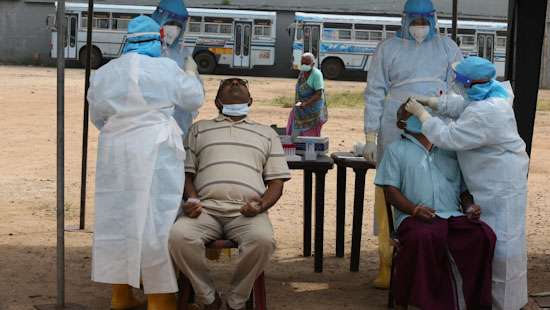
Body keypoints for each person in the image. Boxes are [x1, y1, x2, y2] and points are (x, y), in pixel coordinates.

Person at [88, 16, 204, 310]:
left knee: (118, 217)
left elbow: (97, 116)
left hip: (115, 150)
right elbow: (192, 100)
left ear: (127, 40)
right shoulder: (167, 67)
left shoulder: (105, 72)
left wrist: (122, 128)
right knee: (157, 222)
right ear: (159, 39)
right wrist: (190, 74)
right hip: (156, 149)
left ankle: (121, 295)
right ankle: (160, 299)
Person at [406, 56, 530, 310]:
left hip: (500, 185)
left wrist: (423, 115)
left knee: (503, 245)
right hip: (491, 181)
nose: (456, 84)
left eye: (459, 80)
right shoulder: (492, 93)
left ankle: (503, 304)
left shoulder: (487, 112)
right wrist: (434, 103)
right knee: (487, 241)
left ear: (469, 82)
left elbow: (448, 136)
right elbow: (461, 104)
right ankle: (487, 299)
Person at [362, 0, 463, 289]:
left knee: (440, 183)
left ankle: (438, 255)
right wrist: (370, 135)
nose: (420, 25)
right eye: (414, 19)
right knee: (390, 188)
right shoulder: (388, 48)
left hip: (437, 123)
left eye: (424, 19)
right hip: (395, 126)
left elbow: (458, 87)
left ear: (434, 19)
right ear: (404, 19)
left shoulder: (448, 47)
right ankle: (386, 262)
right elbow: (374, 92)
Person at [169, 78, 291, 310]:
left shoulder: (266, 134)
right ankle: (208, 297)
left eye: (240, 83)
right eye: (228, 83)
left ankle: (236, 301)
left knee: (264, 241)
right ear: (217, 102)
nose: (235, 82)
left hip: (247, 213)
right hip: (205, 209)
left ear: (251, 100)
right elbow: (186, 173)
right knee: (178, 236)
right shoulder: (199, 128)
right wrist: (192, 199)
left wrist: (261, 205)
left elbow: (277, 182)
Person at [375, 103, 496, 309]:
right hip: (414, 217)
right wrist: (414, 209)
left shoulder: (450, 150)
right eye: (414, 114)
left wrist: (469, 207)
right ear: (402, 123)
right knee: (423, 237)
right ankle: (422, 302)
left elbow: (463, 190)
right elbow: (391, 191)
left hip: (451, 216)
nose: (423, 118)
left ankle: (469, 300)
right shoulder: (396, 150)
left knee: (483, 235)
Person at [152, 0, 202, 137]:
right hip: (151, 126)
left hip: (180, 126)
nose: (174, 29)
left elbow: (197, 92)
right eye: (170, 23)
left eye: (178, 25)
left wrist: (191, 74)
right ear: (159, 20)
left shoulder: (183, 54)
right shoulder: (147, 51)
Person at [286, 52, 328, 137]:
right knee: (293, 119)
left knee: (310, 134)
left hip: (313, 109)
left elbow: (318, 94)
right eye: (302, 63)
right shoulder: (302, 73)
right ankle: (294, 144)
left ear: (313, 64)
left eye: (306, 63)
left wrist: (306, 103)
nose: (304, 65)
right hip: (301, 108)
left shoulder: (316, 74)